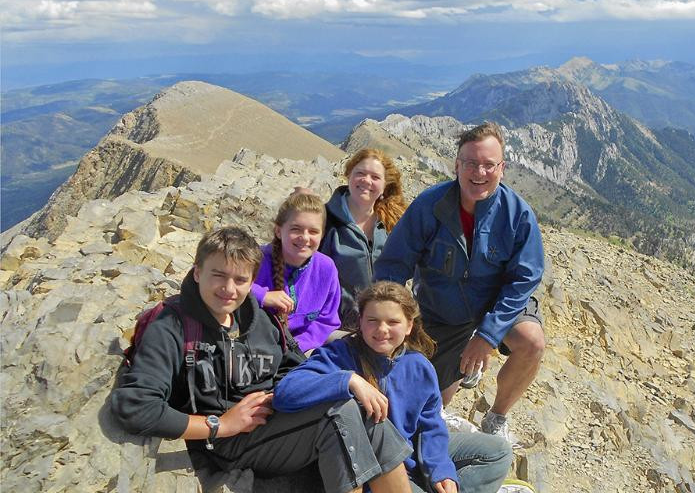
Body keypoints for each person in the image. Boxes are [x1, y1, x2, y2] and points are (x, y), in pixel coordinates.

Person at [111, 226, 413, 493]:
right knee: (340, 412)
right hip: (228, 442)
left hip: (278, 421)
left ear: (252, 281)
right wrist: (219, 425)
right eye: (218, 275)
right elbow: (136, 407)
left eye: (240, 279)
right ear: (197, 272)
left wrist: (341, 381)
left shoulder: (261, 321)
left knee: (367, 410)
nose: (229, 289)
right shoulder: (171, 326)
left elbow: (295, 369)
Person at [374, 122, 546, 442]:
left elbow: (525, 278)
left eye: (488, 164)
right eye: (470, 163)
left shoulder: (517, 214)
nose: (479, 172)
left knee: (531, 341)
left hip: (495, 306)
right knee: (433, 402)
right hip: (441, 311)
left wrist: (488, 334)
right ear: (456, 165)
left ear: (502, 168)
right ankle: (456, 377)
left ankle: (496, 417)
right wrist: (391, 317)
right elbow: (393, 265)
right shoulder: (430, 206)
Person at [273, 281, 512, 493]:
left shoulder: (418, 366)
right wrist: (347, 381)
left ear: (409, 326)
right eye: (373, 321)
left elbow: (430, 426)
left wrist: (441, 468)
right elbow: (285, 393)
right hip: (371, 471)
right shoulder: (338, 355)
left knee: (498, 451)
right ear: (360, 322)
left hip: (411, 455)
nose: (382, 330)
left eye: (393, 322)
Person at [320, 148, 408, 329]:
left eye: (375, 177)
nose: (366, 181)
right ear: (349, 175)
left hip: (385, 327)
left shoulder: (393, 223)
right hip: (338, 326)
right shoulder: (324, 219)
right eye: (360, 173)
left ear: (385, 186)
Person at [251, 192, 341, 354]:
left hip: (303, 346)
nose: (305, 238)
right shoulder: (255, 259)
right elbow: (216, 280)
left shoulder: (326, 267)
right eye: (296, 229)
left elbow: (327, 321)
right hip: (257, 346)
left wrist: (296, 347)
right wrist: (261, 296)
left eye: (313, 231)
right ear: (278, 231)